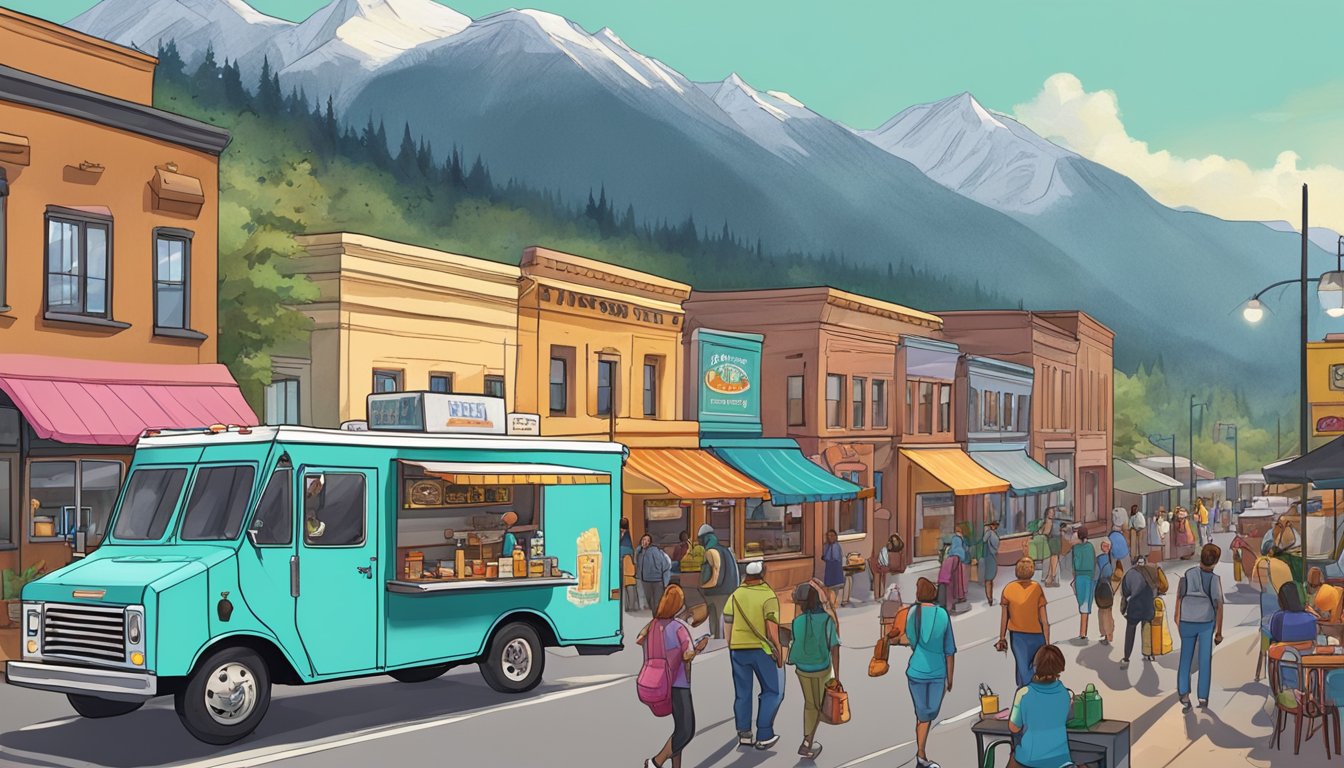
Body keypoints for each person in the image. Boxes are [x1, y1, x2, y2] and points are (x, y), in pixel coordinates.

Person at [638, 584, 709, 768]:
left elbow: (639, 639)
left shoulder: (653, 625)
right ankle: (656, 762)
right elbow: (687, 655)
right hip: (679, 683)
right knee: (686, 730)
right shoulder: (678, 628)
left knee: (679, 727)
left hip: (659, 681)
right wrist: (699, 647)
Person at [723, 560, 784, 750]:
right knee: (773, 691)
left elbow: (727, 624)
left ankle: (744, 733)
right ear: (762, 575)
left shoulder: (735, 595)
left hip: (738, 650)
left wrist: (731, 646)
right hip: (762, 651)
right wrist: (779, 652)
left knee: (742, 692)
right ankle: (764, 734)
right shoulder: (768, 596)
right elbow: (772, 628)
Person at [904, 577, 956, 768]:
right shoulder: (942, 614)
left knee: (925, 714)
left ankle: (921, 754)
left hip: (917, 670)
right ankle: (921, 755)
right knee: (926, 713)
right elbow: (949, 649)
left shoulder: (913, 613)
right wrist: (950, 677)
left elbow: (910, 638)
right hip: (935, 672)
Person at [788, 583, 840, 760]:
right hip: (821, 667)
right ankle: (807, 742)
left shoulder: (797, 621)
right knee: (818, 705)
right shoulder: (826, 620)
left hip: (802, 668)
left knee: (810, 703)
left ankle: (807, 740)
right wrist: (837, 676)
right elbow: (834, 648)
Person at [1175, 543, 1225, 711]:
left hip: (1186, 621)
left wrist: (1178, 619)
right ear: (1215, 562)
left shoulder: (1188, 574)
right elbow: (1219, 606)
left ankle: (1183, 694)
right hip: (1205, 623)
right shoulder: (1214, 580)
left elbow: (1179, 597)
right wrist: (1219, 632)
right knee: (1204, 660)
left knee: (1185, 658)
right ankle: (1202, 697)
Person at [1008, 644, 1073, 768]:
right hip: (1061, 759)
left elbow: (1014, 728)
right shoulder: (1065, 694)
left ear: (1035, 666)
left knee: (1015, 754)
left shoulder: (1024, 694)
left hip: (1031, 759)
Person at [996, 557, 1049, 688]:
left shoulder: (1008, 588)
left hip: (1018, 637)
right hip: (1038, 636)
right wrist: (1047, 642)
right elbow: (1044, 620)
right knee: (1035, 668)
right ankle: (1027, 695)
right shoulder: (1037, 588)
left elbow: (1004, 617)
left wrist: (1002, 637)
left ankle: (1023, 695)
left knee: (1023, 668)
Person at [698, 524, 739, 640]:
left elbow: (716, 574)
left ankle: (719, 640)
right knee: (722, 616)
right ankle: (720, 638)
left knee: (718, 617)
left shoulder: (711, 551)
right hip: (729, 589)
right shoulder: (726, 550)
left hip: (717, 592)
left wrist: (703, 587)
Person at [1119, 554, 1156, 668]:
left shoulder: (1130, 573)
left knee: (1130, 630)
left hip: (1134, 607)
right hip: (1148, 605)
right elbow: (1156, 588)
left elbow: (1125, 592)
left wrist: (1129, 599)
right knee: (1147, 630)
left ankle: (1126, 658)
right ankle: (1148, 654)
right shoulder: (1152, 571)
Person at [1070, 526, 1096, 642]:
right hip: (1089, 577)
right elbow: (1093, 562)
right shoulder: (1090, 547)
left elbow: (1074, 564)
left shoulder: (1075, 549)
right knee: (1086, 604)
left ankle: (1082, 632)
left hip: (1079, 576)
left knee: (1082, 604)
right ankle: (1083, 632)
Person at [637, 534, 673, 616]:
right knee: (651, 604)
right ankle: (656, 621)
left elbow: (666, 565)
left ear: (650, 542)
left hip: (657, 581)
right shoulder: (640, 552)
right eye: (643, 539)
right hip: (645, 581)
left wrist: (665, 582)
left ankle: (658, 622)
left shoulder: (655, 551)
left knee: (657, 604)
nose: (645, 542)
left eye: (647, 540)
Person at [1095, 539, 1119, 646]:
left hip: (1102, 588)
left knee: (1103, 613)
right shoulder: (1110, 560)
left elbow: (1097, 575)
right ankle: (1109, 634)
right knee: (1107, 612)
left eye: (1106, 546)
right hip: (1109, 588)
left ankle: (1107, 635)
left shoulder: (1100, 560)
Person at [873, 533, 903, 604]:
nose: (893, 542)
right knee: (879, 578)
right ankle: (878, 596)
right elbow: (883, 561)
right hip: (881, 565)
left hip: (885, 567)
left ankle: (881, 595)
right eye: (893, 541)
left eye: (895, 541)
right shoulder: (884, 549)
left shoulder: (897, 551)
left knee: (883, 579)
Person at [821, 529, 845, 605]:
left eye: (832, 536)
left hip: (836, 568)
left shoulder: (836, 546)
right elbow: (825, 556)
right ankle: (830, 602)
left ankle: (834, 602)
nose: (830, 537)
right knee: (829, 586)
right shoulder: (827, 546)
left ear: (835, 537)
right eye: (828, 536)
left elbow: (835, 557)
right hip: (829, 568)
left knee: (836, 587)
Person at [1040, 508, 1060, 588]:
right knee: (1053, 559)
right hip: (1052, 541)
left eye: (1053, 512)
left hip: (1054, 541)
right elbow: (1046, 532)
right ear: (1047, 513)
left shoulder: (1049, 522)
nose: (1052, 514)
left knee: (1053, 559)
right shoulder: (1048, 522)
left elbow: (1043, 532)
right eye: (1050, 512)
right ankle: (1051, 578)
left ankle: (1051, 578)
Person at [982, 520, 1001, 605]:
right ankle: (990, 598)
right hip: (991, 556)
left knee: (989, 579)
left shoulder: (990, 533)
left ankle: (990, 598)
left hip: (990, 556)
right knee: (989, 579)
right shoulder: (993, 533)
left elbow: (984, 540)